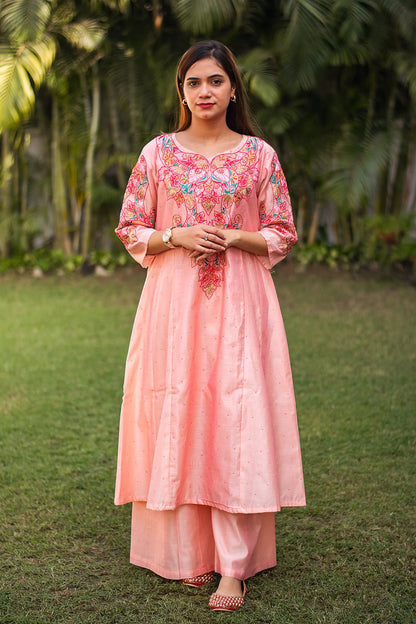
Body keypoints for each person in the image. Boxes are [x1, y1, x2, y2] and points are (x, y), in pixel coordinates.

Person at [114, 40, 306, 613]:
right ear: (182, 91)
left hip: (241, 303)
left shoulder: (258, 155)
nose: (205, 92)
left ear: (233, 89)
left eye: (216, 81)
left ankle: (233, 565)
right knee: (179, 409)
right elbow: (130, 226)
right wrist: (176, 236)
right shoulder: (157, 154)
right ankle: (183, 552)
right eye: (194, 82)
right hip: (173, 302)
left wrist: (235, 238)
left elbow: (281, 230)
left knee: (235, 415)